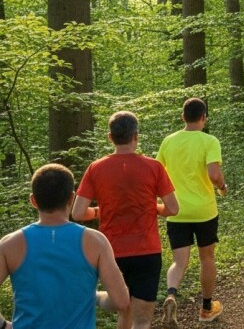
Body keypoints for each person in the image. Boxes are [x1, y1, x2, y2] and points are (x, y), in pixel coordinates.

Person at [72, 111, 180, 329]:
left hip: (111, 251)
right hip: (147, 251)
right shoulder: (154, 167)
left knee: (124, 308)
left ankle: (96, 297)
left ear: (110, 137)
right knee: (142, 319)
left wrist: (99, 211)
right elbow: (173, 208)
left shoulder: (96, 168)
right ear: (136, 136)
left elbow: (78, 213)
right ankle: (96, 297)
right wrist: (154, 208)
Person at [0, 163, 130, 328]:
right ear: (71, 198)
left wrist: (4, 325)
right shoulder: (95, 241)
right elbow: (121, 301)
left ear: (33, 200)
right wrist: (96, 297)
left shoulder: (10, 244)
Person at [156, 97, 227, 327]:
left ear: (182, 117)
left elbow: (159, 174)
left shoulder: (169, 141)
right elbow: (214, 174)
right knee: (207, 258)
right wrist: (222, 187)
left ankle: (171, 294)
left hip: (176, 210)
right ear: (204, 117)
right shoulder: (210, 141)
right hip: (204, 211)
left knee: (179, 261)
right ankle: (206, 308)